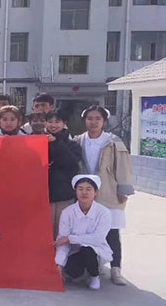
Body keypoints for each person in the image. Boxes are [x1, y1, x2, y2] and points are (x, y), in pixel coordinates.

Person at [74, 105, 133, 286]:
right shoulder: (78, 140)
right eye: (90, 118)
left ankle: (116, 270)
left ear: (104, 121)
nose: (93, 122)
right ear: (85, 120)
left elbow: (123, 167)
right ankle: (93, 268)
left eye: (98, 119)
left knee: (112, 232)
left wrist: (123, 190)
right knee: (88, 231)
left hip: (109, 191)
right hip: (86, 194)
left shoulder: (113, 142)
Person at [55, 175, 112, 291]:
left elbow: (97, 239)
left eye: (88, 189)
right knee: (73, 272)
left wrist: (70, 238)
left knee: (87, 250)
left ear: (95, 193)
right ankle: (84, 273)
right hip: (75, 251)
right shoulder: (67, 212)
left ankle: (95, 275)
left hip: (95, 250)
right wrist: (59, 264)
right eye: (80, 189)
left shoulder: (104, 213)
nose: (84, 193)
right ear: (75, 191)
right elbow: (62, 241)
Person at [46, 109, 82, 239]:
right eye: (50, 121)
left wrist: (56, 142)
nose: (53, 125)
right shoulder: (38, 140)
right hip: (44, 196)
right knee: (45, 231)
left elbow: (71, 162)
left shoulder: (73, 144)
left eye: (57, 121)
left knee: (63, 231)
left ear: (64, 123)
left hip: (65, 195)